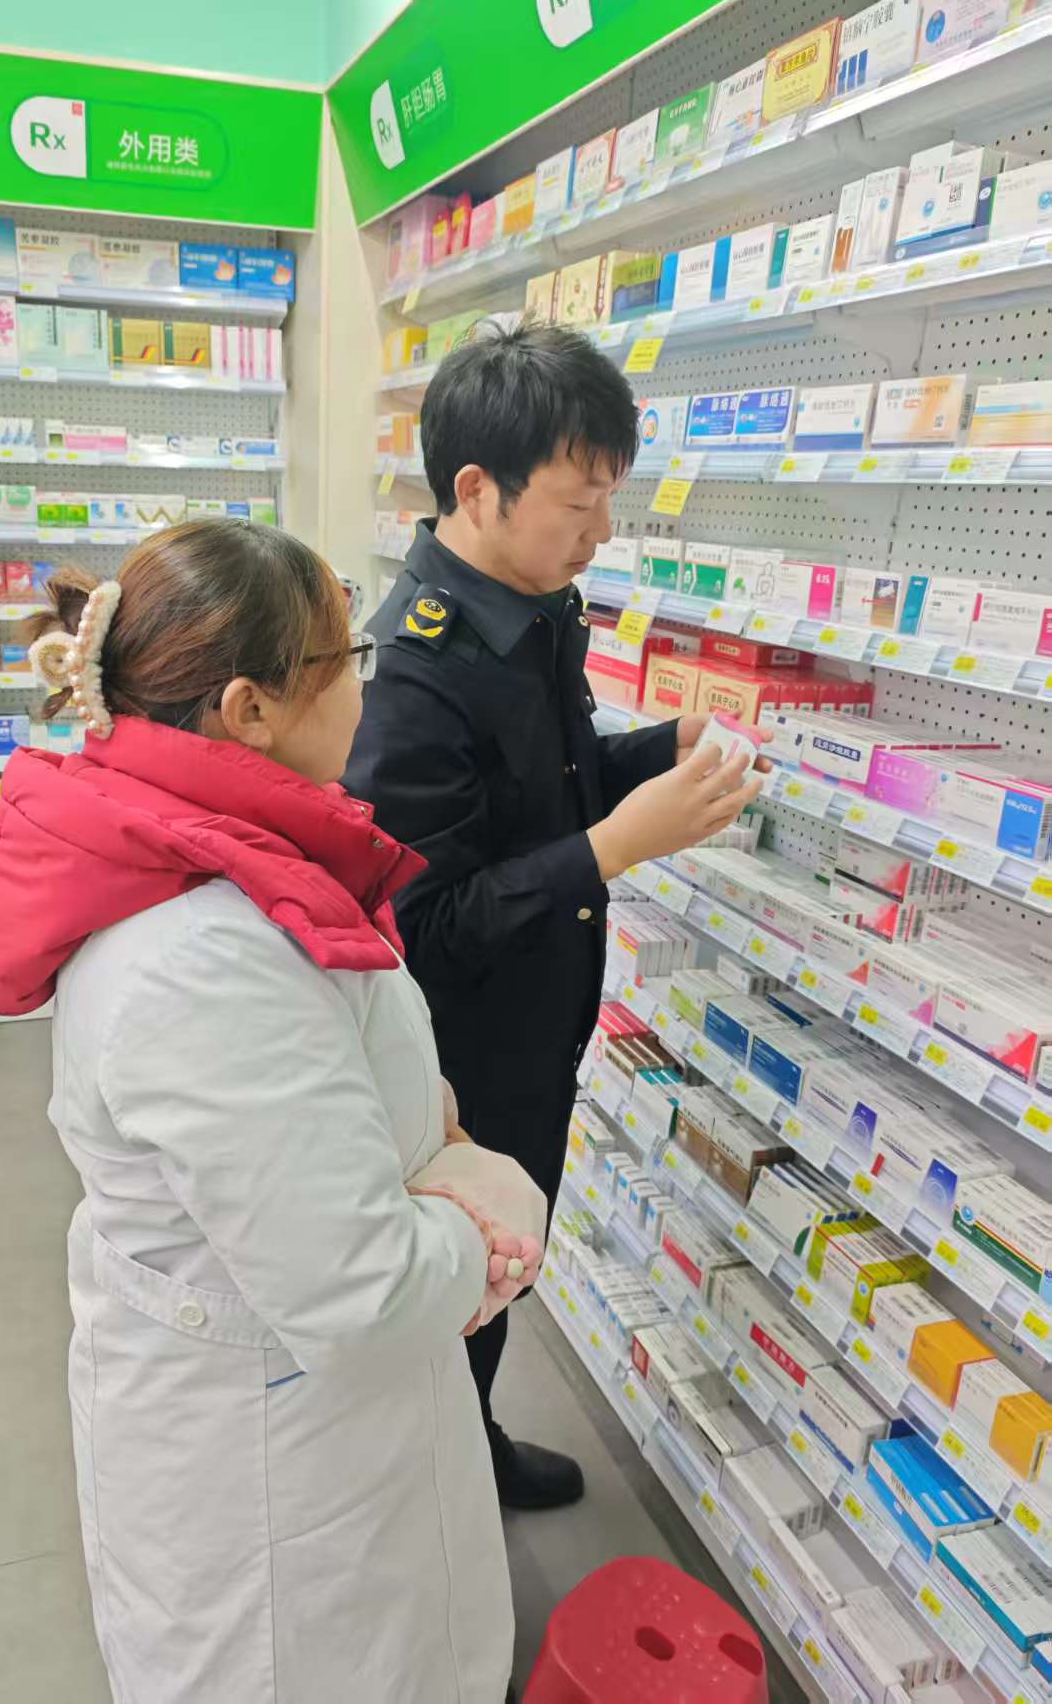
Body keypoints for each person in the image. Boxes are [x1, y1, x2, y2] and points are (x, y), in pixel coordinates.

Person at [0, 519, 548, 1704]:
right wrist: (489, 1208)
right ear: (250, 709)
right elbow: (363, 1293)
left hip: (297, 1416)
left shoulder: (217, 860)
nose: (368, 687)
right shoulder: (201, 956)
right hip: (279, 1479)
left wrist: (412, 1131)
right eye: (348, 660)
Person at [344, 323, 766, 1510]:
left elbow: (544, 784)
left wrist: (659, 747)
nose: (602, 531)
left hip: (535, 1025)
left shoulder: (528, 604)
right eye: (580, 504)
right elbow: (427, 924)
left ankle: (464, 1443)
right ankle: (432, 1490)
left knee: (501, 1269)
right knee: (462, 1274)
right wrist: (617, 845)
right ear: (479, 489)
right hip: (461, 1055)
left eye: (608, 500)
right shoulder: (415, 672)